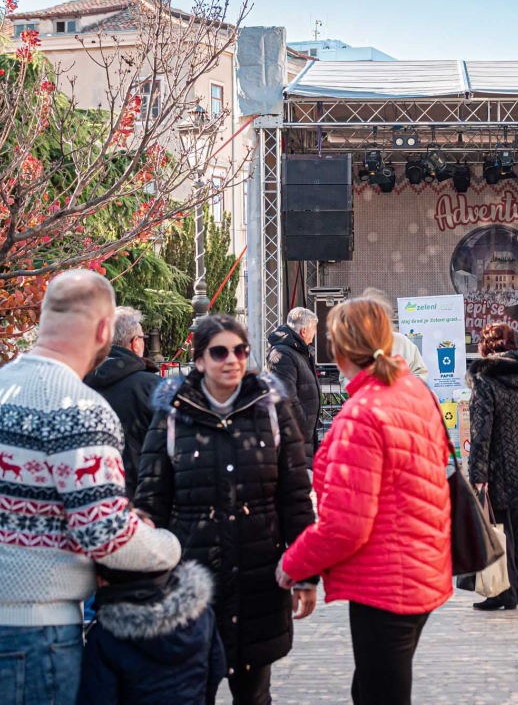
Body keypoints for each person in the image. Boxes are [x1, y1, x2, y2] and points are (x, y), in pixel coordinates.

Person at [0, 270, 181, 705]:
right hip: (26, 628)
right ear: (105, 331)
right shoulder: (79, 407)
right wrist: (170, 545)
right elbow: (108, 537)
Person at [135, 315, 317, 705]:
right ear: (200, 359)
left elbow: (295, 498)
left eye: (240, 350)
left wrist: (305, 572)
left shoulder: (272, 410)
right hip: (192, 582)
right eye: (219, 352)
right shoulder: (173, 414)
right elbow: (151, 499)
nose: (232, 360)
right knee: (191, 693)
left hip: (259, 580)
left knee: (254, 696)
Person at [278, 298, 452, 705]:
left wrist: (293, 565)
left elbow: (344, 526)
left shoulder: (362, 414)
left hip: (384, 581)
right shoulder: (413, 391)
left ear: (339, 349)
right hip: (420, 566)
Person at [467, 322, 518, 611]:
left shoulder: (485, 379)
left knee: (498, 531)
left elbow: (481, 432)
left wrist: (478, 474)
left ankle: (504, 593)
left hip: (498, 467)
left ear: (487, 347)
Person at [77, 560, 226, 705]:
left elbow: (98, 697)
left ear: (102, 581)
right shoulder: (201, 613)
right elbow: (217, 667)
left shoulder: (105, 635)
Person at [85, 305, 162, 499]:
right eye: (142, 338)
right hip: (141, 497)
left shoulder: (79, 382)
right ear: (135, 343)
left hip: (91, 494)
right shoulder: (152, 387)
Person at [266, 307, 321, 463]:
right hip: (294, 441)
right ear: (304, 331)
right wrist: (302, 428)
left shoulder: (299, 352)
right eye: (314, 328)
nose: (315, 333)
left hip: (303, 440)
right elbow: (286, 398)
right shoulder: (282, 354)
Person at [361, 287, 430, 380]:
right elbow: (345, 378)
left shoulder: (402, 342)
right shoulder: (354, 344)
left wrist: (402, 385)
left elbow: (420, 372)